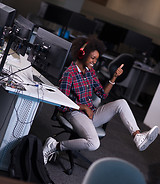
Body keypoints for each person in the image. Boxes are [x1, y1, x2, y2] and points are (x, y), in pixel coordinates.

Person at [43, 36, 159, 164]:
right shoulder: (69, 74)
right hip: (74, 113)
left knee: (121, 103)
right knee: (93, 144)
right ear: (82, 54)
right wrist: (83, 107)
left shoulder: (90, 72)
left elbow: (102, 95)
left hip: (91, 113)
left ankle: (137, 136)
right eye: (92, 58)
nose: (94, 62)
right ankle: (54, 146)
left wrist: (113, 78)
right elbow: (61, 105)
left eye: (96, 59)